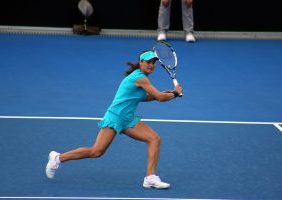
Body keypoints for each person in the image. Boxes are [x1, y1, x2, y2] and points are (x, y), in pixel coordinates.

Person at [45, 50, 182, 189]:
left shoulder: (141, 78)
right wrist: (175, 92)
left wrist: (165, 94)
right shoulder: (141, 78)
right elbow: (159, 98)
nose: (151, 65)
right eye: (148, 62)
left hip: (128, 119)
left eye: (153, 63)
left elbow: (145, 97)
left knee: (154, 139)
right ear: (141, 62)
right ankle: (58, 158)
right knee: (97, 151)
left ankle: (150, 178)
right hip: (115, 117)